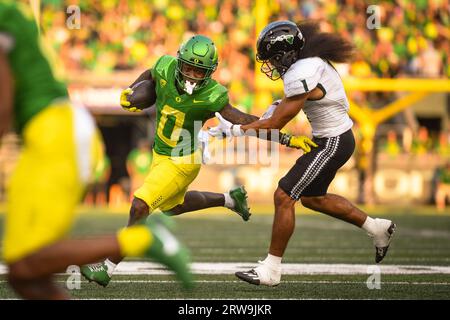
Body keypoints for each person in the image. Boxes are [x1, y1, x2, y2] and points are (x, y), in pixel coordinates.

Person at [81, 34, 316, 287]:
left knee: (140, 206)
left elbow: (245, 121)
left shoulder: (213, 95)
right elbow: (150, 74)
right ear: (179, 61)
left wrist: (287, 140)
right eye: (189, 67)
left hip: (183, 161)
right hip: (160, 154)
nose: (192, 74)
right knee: (174, 207)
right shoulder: (165, 66)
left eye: (199, 70)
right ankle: (230, 199)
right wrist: (131, 89)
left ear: (210, 72)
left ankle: (107, 267)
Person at [0, 1, 192, 299]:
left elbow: (3, 102)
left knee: (28, 257)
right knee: (25, 276)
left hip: (55, 132)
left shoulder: (4, 14)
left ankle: (143, 239)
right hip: (51, 133)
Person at [209, 21, 397, 286]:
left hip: (333, 142)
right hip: (332, 139)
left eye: (273, 59)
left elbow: (276, 124)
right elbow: (281, 111)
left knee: (283, 195)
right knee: (312, 199)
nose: (271, 66)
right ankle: (377, 228)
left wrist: (237, 129)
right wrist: (255, 120)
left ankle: (271, 270)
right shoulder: (308, 64)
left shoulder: (303, 70)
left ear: (286, 54)